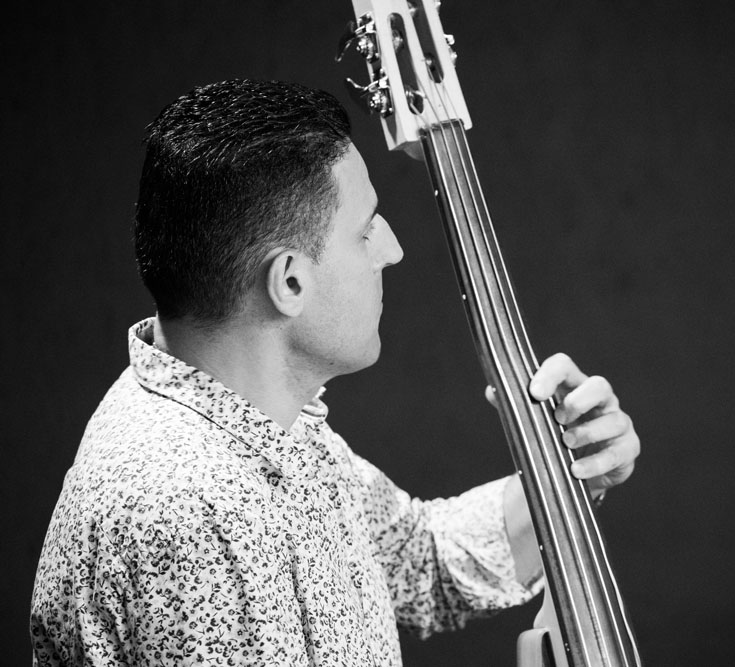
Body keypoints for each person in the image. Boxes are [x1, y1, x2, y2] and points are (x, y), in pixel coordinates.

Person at [30, 79, 640, 666]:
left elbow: (419, 561)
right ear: (290, 281)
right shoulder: (181, 512)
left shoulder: (264, 426)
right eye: (365, 230)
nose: (392, 250)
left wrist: (565, 472)